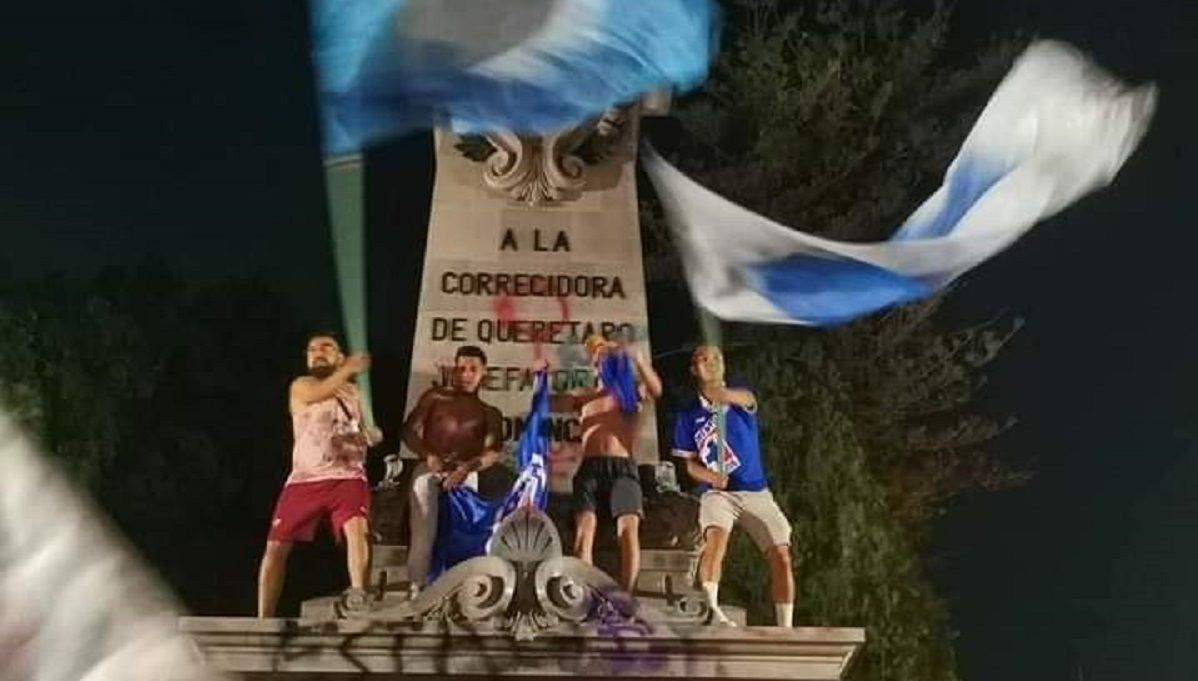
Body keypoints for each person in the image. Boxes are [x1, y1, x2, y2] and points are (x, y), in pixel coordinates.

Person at [257, 332, 381, 618]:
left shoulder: (355, 393)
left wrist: (370, 435)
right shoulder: (301, 385)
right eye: (312, 348)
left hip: (348, 475)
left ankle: (359, 592)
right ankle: (264, 617)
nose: (317, 352)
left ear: (338, 356)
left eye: (326, 347)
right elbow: (317, 395)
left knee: (357, 528)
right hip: (305, 479)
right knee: (276, 547)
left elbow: (368, 429)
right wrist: (349, 369)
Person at [671, 345, 794, 627]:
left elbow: (744, 398)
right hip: (719, 494)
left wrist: (721, 395)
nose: (711, 363)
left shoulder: (741, 399)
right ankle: (711, 608)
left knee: (782, 555)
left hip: (756, 491)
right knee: (716, 540)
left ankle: (785, 626)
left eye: (716, 358)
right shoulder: (688, 417)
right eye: (704, 359)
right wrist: (709, 477)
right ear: (693, 369)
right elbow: (688, 464)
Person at [545, 334, 662, 593]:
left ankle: (626, 595)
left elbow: (655, 390)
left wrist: (639, 360)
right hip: (590, 468)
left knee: (627, 530)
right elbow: (549, 402)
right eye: (595, 352)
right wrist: (541, 379)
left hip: (622, 468)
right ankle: (586, 594)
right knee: (584, 531)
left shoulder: (629, 394)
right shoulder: (585, 397)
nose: (600, 355)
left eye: (604, 350)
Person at [402, 345, 504, 592]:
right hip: (429, 470)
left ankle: (463, 588)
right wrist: (429, 456)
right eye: (461, 369)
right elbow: (408, 431)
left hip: (465, 473)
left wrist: (466, 468)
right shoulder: (434, 398)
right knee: (423, 530)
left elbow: (492, 452)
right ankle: (416, 588)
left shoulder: (489, 413)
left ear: (483, 373)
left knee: (465, 533)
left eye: (473, 369)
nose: (466, 374)